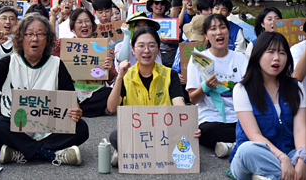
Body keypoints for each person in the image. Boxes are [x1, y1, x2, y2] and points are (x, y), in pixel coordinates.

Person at [0, 13, 89, 165]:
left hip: (48, 129)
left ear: (48, 39)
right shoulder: (10, 62)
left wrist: (76, 112)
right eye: (29, 34)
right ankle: (50, 154)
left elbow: (72, 101)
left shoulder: (56, 64)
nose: (34, 39)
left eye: (40, 34)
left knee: (81, 128)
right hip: (15, 127)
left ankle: (21, 152)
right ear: (20, 39)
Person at [107, 26, 200, 166]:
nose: (146, 51)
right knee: (116, 136)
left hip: (165, 132)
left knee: (184, 137)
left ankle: (130, 153)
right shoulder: (126, 76)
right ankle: (141, 153)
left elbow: (179, 104)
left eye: (152, 46)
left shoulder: (170, 74)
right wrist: (119, 77)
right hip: (137, 132)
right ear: (133, 50)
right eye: (141, 46)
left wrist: (189, 125)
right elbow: (111, 107)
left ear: (157, 50)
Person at [230, 32, 306, 180]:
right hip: (257, 155)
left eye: (282, 53)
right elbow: (254, 135)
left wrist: (302, 159)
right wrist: (282, 158)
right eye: (270, 52)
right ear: (258, 55)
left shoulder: (296, 87)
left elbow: (300, 129)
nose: (276, 57)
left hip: (290, 153)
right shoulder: (242, 89)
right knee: (246, 150)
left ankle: (270, 176)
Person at [186, 14, 248, 158]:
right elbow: (193, 99)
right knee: (206, 131)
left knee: (262, 124)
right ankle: (242, 143)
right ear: (206, 36)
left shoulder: (240, 58)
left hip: (239, 116)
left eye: (222, 27)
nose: (219, 32)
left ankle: (230, 146)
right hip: (211, 119)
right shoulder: (198, 60)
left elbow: (251, 91)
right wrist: (205, 87)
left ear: (228, 32)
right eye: (213, 29)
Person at [67, 9, 116, 117]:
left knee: (110, 92)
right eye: (79, 22)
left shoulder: (101, 47)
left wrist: (109, 70)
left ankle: (80, 110)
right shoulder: (67, 47)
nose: (84, 25)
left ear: (92, 25)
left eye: (87, 21)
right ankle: (93, 109)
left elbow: (111, 78)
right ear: (73, 27)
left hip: (95, 94)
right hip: (74, 95)